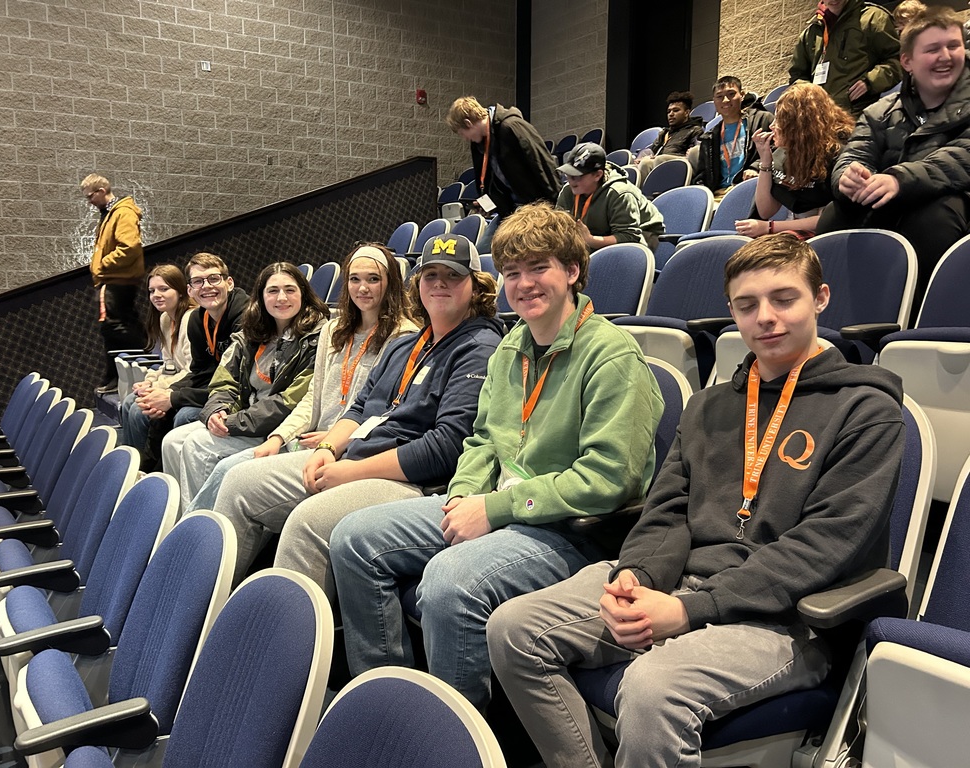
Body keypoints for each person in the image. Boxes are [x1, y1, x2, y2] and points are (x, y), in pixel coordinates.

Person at [485, 233, 906, 768]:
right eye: (747, 305)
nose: (766, 318)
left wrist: (689, 610)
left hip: (786, 618)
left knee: (652, 688)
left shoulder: (866, 409)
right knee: (513, 631)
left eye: (784, 299)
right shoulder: (709, 405)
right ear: (731, 311)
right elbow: (667, 510)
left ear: (820, 298)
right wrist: (638, 573)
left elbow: (826, 546)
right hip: (680, 579)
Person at [329, 203, 665, 712]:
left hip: (571, 529)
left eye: (539, 268)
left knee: (448, 583)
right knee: (354, 539)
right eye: (512, 272)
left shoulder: (612, 356)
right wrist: (463, 496)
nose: (524, 283)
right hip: (495, 505)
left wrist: (492, 511)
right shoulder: (512, 347)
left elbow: (608, 480)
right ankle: (388, 705)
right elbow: (482, 439)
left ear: (572, 271)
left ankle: (461, 740)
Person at [211, 234, 503, 586]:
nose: (440, 283)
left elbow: (445, 446)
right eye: (431, 275)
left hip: (412, 481)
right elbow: (361, 407)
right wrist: (327, 448)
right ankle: (205, 607)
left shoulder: (480, 346)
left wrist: (352, 471)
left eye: (453, 275)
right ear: (418, 284)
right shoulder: (408, 344)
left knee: (308, 522)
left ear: (477, 285)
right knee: (240, 481)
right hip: (356, 458)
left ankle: (289, 636)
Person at [183, 243, 419, 512]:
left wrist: (332, 440)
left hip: (346, 446)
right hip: (306, 436)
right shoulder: (335, 329)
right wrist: (279, 437)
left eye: (373, 279)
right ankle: (196, 535)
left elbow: (382, 410)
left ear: (391, 284)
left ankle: (200, 541)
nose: (362, 288)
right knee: (220, 463)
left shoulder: (404, 337)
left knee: (233, 473)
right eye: (355, 279)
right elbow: (311, 398)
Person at [817, 6, 970, 312]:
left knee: (935, 217)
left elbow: (962, 157)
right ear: (907, 61)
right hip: (894, 201)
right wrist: (849, 176)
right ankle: (835, 318)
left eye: (954, 46)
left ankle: (922, 319)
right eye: (932, 49)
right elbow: (854, 153)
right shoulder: (880, 111)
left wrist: (899, 179)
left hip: (951, 204)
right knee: (835, 215)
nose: (945, 56)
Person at [162, 262, 328, 510]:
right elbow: (224, 378)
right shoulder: (252, 332)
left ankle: (199, 529)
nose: (281, 298)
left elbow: (290, 401)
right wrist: (218, 410)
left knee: (199, 446)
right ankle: (180, 515)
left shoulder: (317, 338)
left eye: (290, 290)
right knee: (173, 441)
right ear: (261, 297)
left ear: (303, 294)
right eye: (272, 291)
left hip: (276, 426)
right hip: (244, 416)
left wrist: (233, 422)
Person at [135, 252, 248, 472]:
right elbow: (199, 373)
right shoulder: (199, 319)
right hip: (217, 389)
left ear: (229, 282)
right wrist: (165, 394)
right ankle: (149, 470)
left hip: (242, 395)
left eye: (214, 278)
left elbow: (239, 383)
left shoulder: (245, 317)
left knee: (184, 414)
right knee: (148, 405)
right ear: (190, 290)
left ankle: (164, 473)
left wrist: (172, 397)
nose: (206, 286)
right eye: (198, 281)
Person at [734, 83, 854, 240]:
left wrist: (770, 227)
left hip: (827, 236)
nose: (772, 126)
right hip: (793, 232)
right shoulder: (784, 154)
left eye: (781, 120)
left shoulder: (837, 154)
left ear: (800, 125)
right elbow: (766, 211)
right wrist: (765, 160)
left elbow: (832, 219)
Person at [81, 173, 146, 394]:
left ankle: (129, 371)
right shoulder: (109, 214)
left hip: (117, 279)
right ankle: (120, 374)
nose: (89, 201)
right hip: (114, 279)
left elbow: (130, 247)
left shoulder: (122, 212)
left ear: (101, 191)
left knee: (114, 327)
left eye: (90, 196)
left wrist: (102, 265)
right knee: (117, 326)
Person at [120, 265, 197, 452]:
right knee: (128, 402)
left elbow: (191, 371)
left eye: (164, 289)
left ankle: (144, 467)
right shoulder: (164, 319)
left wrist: (158, 388)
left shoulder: (191, 318)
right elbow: (168, 364)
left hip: (192, 385)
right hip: (176, 382)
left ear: (180, 291)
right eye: (152, 291)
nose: (156, 295)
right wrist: (149, 382)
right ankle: (131, 462)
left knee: (138, 410)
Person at [446, 96, 561, 219]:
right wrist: (488, 205)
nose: (465, 139)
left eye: (462, 134)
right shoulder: (479, 145)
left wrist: (557, 207)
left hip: (535, 209)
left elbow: (541, 164)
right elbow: (497, 184)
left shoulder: (511, 126)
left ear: (468, 123)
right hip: (510, 211)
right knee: (487, 239)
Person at [788, 0, 901, 116]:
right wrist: (810, 94)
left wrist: (870, 81)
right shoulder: (811, 32)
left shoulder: (873, 17)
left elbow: (898, 60)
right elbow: (797, 75)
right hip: (821, 121)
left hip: (861, 117)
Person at [556, 142, 665, 252]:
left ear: (598, 175)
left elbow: (629, 237)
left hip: (641, 240)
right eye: (568, 175)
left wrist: (590, 240)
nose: (570, 181)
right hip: (597, 236)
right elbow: (558, 226)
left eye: (577, 176)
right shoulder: (568, 190)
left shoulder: (620, 193)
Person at [693, 77, 774, 199]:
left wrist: (756, 167)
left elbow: (778, 149)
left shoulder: (762, 120)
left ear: (742, 95)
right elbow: (702, 174)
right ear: (714, 101)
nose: (725, 100)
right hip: (718, 194)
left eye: (731, 94)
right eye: (719, 96)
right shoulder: (709, 137)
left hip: (750, 188)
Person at [635, 91, 706, 183]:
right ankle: (642, 195)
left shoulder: (695, 130)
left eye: (676, 110)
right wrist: (642, 157)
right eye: (669, 111)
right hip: (660, 160)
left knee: (660, 159)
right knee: (645, 162)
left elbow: (696, 155)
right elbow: (652, 150)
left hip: (681, 164)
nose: (671, 114)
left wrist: (658, 157)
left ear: (686, 113)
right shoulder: (664, 133)